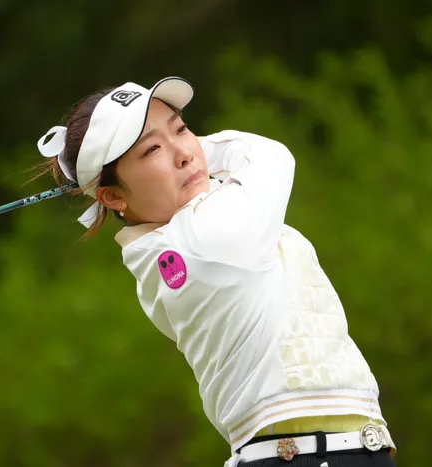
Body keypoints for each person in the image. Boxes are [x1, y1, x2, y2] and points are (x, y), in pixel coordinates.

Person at [35, 77, 397, 467]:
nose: (183, 153)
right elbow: (272, 156)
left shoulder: (189, 232)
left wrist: (178, 150)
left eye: (181, 128)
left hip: (347, 451)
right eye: (152, 149)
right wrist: (203, 148)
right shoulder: (198, 239)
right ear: (113, 195)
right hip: (300, 457)